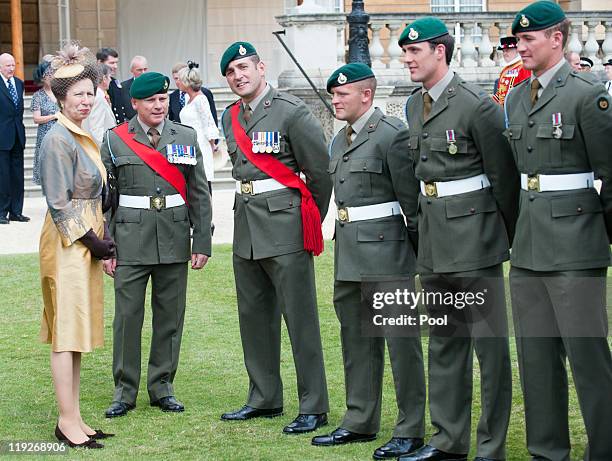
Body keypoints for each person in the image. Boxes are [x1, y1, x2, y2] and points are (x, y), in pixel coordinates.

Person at [398, 17, 519, 461]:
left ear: (440, 52)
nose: (407, 58)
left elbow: (504, 181)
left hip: (476, 238)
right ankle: (448, 440)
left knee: (489, 351)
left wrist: (502, 238)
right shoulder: (414, 105)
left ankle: (491, 445)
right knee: (445, 343)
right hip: (435, 240)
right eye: (405, 52)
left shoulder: (477, 106)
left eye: (415, 51)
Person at [505, 2, 612, 459]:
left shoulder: (588, 93)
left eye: (529, 39)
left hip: (576, 244)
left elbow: (609, 173)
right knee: (536, 360)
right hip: (529, 246)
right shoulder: (514, 97)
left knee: (588, 358)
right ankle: (547, 451)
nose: (521, 47)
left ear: (557, 39)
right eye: (517, 40)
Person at [310, 63, 426, 460]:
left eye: (343, 94)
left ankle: (411, 428)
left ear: (367, 95)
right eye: (333, 94)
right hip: (350, 254)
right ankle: (360, 418)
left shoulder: (392, 135)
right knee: (356, 341)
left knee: (401, 345)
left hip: (388, 253)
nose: (336, 100)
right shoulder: (340, 140)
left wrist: (413, 255)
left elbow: (412, 205)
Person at [218, 41, 332, 434]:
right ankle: (264, 397)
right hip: (246, 226)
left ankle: (314, 405)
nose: (239, 76)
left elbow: (320, 173)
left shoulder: (291, 111)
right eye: (231, 72)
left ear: (261, 68)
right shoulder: (229, 116)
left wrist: (308, 220)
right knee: (253, 319)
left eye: (244, 67)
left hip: (285, 227)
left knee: (300, 320)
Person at [101, 72, 212, 418]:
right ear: (134, 103)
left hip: (174, 237)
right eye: (151, 100)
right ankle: (125, 390)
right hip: (130, 242)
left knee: (170, 317)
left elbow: (199, 191)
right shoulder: (115, 139)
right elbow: (106, 200)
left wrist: (202, 241)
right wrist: (107, 247)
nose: (159, 105)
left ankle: (162, 385)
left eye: (163, 99)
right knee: (127, 318)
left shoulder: (186, 136)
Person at [38, 44, 115, 449]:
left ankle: (74, 417)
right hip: (69, 242)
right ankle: (66, 421)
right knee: (66, 334)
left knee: (77, 332)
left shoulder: (81, 134)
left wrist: (101, 239)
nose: (86, 101)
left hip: (86, 241)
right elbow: (59, 203)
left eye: (90, 93)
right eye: (78, 95)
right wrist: (95, 243)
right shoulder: (57, 138)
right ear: (60, 98)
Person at [176, 61, 219, 188]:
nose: (178, 83)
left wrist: (212, 146)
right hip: (189, 144)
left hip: (201, 145)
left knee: (202, 182)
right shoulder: (189, 99)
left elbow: (208, 123)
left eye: (180, 80)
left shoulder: (201, 99)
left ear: (186, 83)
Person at [0, 53, 28, 224]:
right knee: (3, 176)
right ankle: (2, 212)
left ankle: (16, 211)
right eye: (7, 65)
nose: (11, 68)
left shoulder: (19, 83)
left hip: (18, 135)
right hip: (2, 136)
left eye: (13, 65)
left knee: (17, 176)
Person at [30, 59, 59, 185]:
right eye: (47, 74)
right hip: (45, 135)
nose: (50, 77)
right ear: (41, 77)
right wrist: (54, 116)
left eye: (52, 73)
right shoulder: (38, 96)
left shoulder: (60, 93)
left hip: (60, 133)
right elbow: (36, 118)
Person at [168, 61, 218, 128]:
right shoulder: (172, 96)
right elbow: (172, 120)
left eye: (180, 78)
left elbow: (211, 120)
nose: (178, 82)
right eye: (175, 79)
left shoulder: (203, 94)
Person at [83, 63, 116, 146]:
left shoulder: (98, 95)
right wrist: (104, 151)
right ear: (104, 78)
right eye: (109, 76)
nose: (111, 80)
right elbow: (96, 129)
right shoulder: (98, 97)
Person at [492, 36, 530, 105]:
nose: (504, 54)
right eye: (503, 51)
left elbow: (526, 93)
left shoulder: (524, 68)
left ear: (516, 50)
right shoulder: (505, 70)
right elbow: (499, 94)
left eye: (507, 50)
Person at [96, 47, 126, 124]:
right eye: (112, 63)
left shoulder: (114, 83)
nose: (115, 66)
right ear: (99, 63)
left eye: (116, 63)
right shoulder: (93, 85)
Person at [121, 55, 148, 120]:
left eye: (145, 69)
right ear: (132, 70)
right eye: (139, 70)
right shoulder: (123, 87)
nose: (143, 73)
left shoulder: (154, 85)